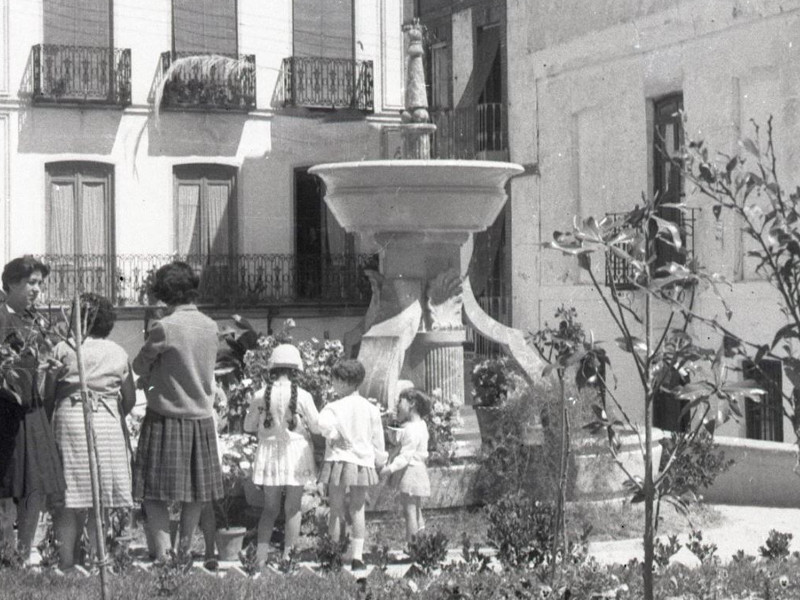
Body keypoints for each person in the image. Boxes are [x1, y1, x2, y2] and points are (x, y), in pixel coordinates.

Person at [131, 262, 223, 560]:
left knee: (153, 491)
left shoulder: (164, 327)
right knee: (195, 492)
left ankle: (163, 553)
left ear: (165, 292)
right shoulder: (211, 326)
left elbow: (139, 365)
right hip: (200, 418)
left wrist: (151, 376)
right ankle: (184, 550)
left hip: (165, 417)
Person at [48, 293, 136, 570]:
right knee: (102, 498)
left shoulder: (64, 349)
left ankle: (66, 562)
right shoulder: (118, 352)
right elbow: (130, 398)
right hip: (107, 421)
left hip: (71, 418)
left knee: (70, 496)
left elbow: (48, 394)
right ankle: (101, 561)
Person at [0, 256, 65, 561]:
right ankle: (5, 552)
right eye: (31, 282)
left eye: (40, 283)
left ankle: (23, 552)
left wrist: (46, 366)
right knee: (6, 485)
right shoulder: (0, 317)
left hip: (32, 410)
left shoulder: (36, 320)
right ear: (11, 282)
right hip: (4, 411)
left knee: (34, 483)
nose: (37, 289)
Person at [243, 344, 320, 565]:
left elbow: (249, 426)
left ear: (272, 368)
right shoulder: (303, 395)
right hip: (296, 453)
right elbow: (316, 426)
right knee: (293, 508)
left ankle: (260, 557)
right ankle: (289, 556)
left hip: (269, 454)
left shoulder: (259, 395)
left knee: (269, 508)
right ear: (295, 369)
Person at [317, 359, 387, 570]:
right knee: (358, 509)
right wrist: (379, 460)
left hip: (339, 460)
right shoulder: (370, 408)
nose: (333, 384)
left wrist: (333, 434)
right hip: (361, 462)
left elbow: (323, 426)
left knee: (336, 508)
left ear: (346, 382)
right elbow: (378, 438)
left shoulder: (333, 407)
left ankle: (333, 557)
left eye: (336, 380)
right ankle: (357, 558)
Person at [380, 388, 431, 543]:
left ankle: (412, 546)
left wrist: (389, 469)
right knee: (417, 510)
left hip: (410, 473)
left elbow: (405, 456)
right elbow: (401, 442)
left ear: (412, 404)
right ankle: (422, 544)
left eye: (400, 402)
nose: (397, 405)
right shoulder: (420, 425)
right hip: (419, 470)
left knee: (409, 511)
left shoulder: (410, 429)